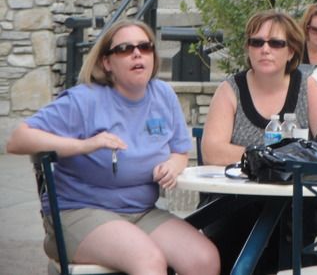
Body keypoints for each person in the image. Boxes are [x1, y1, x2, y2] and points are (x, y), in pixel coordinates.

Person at [6, 19, 220, 275]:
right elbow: (18, 139)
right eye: (125, 49)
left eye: (145, 47)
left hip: (141, 212)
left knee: (204, 259)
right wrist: (84, 145)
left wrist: (173, 166)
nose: (137, 53)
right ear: (107, 62)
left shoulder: (163, 95)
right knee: (148, 260)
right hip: (79, 211)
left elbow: (179, 151)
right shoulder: (84, 100)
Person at [201, 10, 317, 274]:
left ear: (291, 51)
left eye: (276, 43)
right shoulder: (231, 89)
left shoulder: (307, 88)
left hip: (294, 206)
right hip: (234, 202)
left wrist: (267, 160)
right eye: (257, 42)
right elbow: (212, 151)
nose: (265, 49)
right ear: (248, 49)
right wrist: (271, 159)